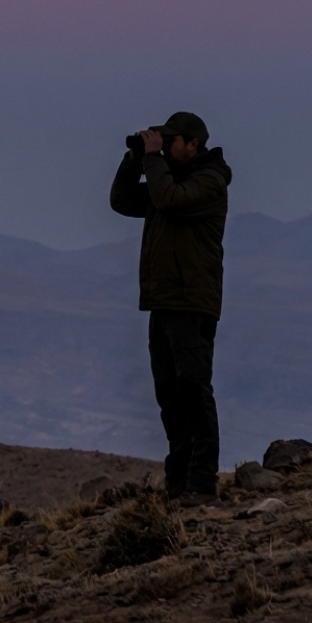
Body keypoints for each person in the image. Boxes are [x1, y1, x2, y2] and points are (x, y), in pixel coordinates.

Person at [109, 111, 233, 507]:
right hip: (164, 302)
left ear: (193, 143)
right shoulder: (170, 181)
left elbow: (167, 199)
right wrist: (134, 161)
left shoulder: (209, 183)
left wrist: (152, 159)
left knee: (194, 390)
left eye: (170, 141)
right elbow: (122, 200)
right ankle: (178, 484)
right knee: (170, 396)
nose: (163, 147)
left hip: (192, 303)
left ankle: (201, 485)